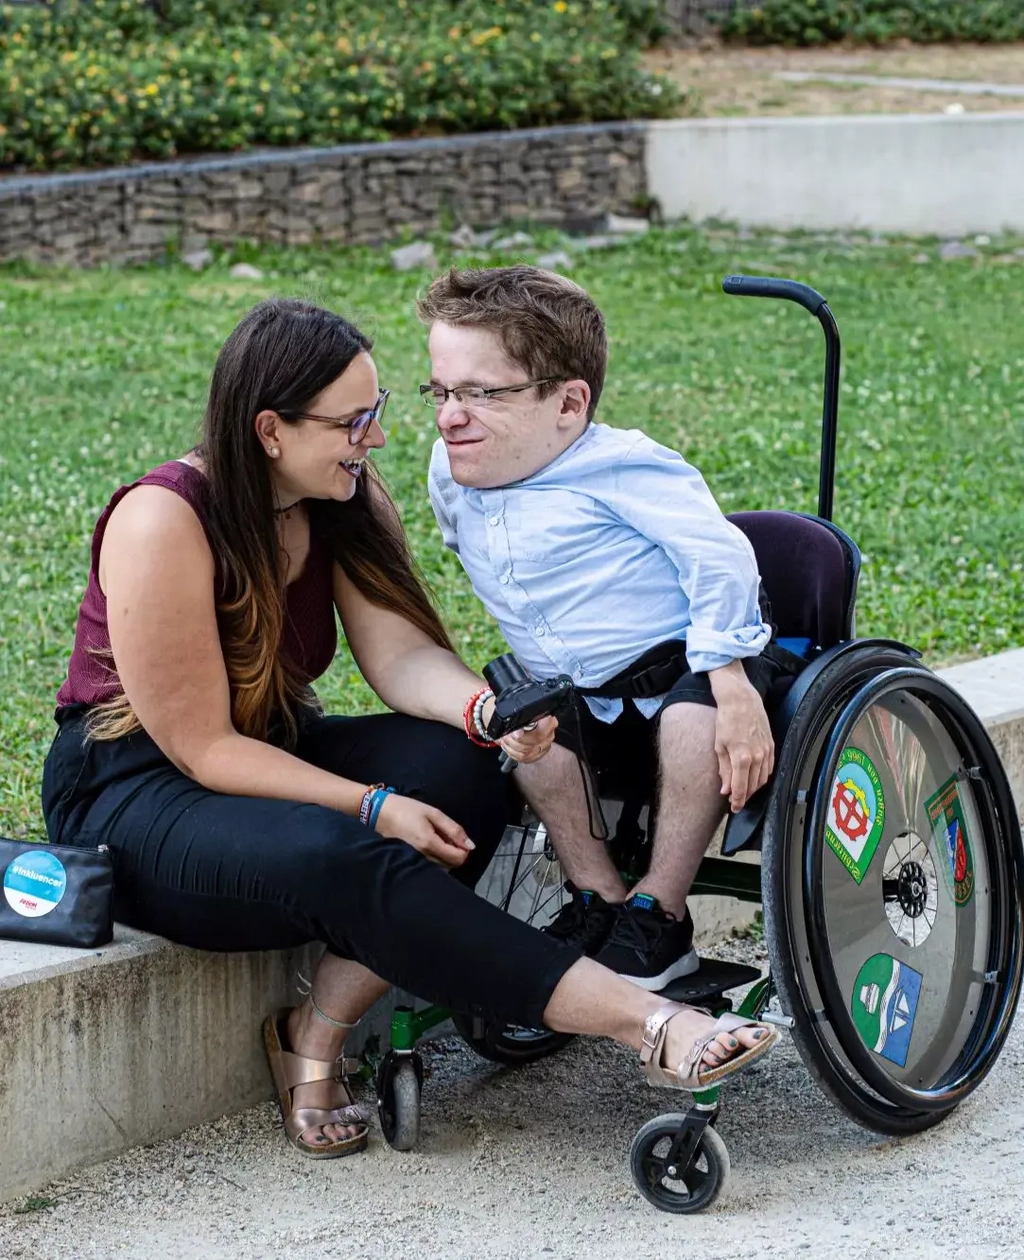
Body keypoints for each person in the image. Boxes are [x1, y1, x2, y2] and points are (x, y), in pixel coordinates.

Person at [41, 297, 777, 1163]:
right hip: (133, 789)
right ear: (270, 430)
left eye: (379, 409)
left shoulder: (340, 494)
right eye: (354, 421)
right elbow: (203, 748)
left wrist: (489, 715)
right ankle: (649, 1020)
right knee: (346, 849)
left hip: (269, 747)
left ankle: (314, 1026)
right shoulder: (163, 519)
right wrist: (372, 803)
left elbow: (398, 655)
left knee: (466, 768)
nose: (379, 437)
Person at [421, 266, 779, 992]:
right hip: (579, 695)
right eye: (443, 390)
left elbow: (720, 559)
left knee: (688, 722)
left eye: (482, 393)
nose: (449, 416)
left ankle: (659, 915)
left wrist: (734, 687)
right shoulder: (452, 472)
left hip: (689, 669)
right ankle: (599, 898)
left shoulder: (624, 467)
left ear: (570, 402)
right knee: (529, 736)